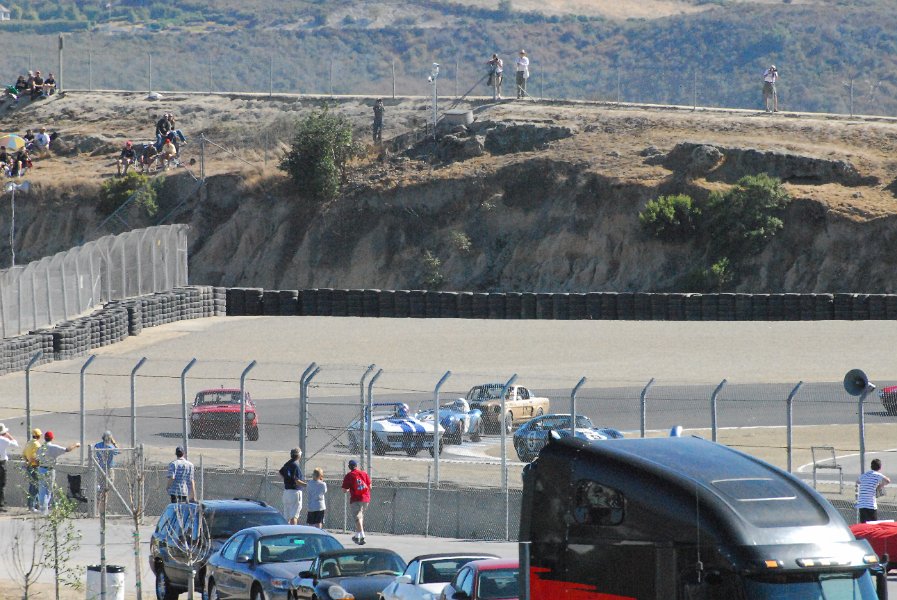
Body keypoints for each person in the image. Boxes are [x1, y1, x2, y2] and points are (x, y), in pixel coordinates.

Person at [36, 431, 80, 516]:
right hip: (49, 470)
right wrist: (75, 445)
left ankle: (42, 509)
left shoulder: (41, 447)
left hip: (41, 469)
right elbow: (67, 449)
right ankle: (44, 511)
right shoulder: (53, 447)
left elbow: (37, 458)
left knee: (42, 490)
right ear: (52, 438)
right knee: (48, 491)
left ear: (44, 438)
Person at [342, 459, 371, 545]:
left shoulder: (349, 475)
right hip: (366, 499)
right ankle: (357, 536)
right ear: (356, 466)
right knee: (360, 517)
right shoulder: (364, 473)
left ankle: (362, 535)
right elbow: (370, 486)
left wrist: (349, 489)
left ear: (349, 467)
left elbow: (344, 490)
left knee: (358, 517)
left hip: (356, 499)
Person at [856, 458, 890, 523]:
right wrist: (880, 486)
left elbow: (858, 481)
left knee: (864, 526)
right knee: (873, 525)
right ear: (880, 467)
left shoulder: (864, 475)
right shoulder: (877, 475)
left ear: (871, 466)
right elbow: (888, 480)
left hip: (862, 505)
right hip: (871, 505)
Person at [278, 448, 306, 525]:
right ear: (299, 455)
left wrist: (287, 480)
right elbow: (297, 481)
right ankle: (294, 530)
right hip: (295, 492)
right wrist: (307, 485)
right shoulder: (295, 465)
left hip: (286, 492)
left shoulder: (287, 464)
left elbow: (280, 473)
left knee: (286, 516)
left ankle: (285, 530)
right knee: (294, 516)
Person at [94, 431, 120, 512]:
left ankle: (97, 509)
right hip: (109, 469)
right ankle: (102, 510)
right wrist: (114, 442)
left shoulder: (98, 445)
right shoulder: (111, 447)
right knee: (106, 490)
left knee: (100, 489)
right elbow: (118, 451)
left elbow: (95, 451)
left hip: (100, 468)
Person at [22, 428, 43, 512]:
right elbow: (35, 457)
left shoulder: (29, 443)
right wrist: (30, 462)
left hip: (29, 466)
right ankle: (32, 506)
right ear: (38, 436)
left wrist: (27, 462)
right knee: (35, 487)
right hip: (35, 466)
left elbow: (23, 454)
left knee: (32, 486)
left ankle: (34, 505)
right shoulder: (37, 445)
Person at [0, 423, 18, 511]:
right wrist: (9, 436)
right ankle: (1, 504)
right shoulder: (4, 440)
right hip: (1, 464)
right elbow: (15, 445)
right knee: (2, 484)